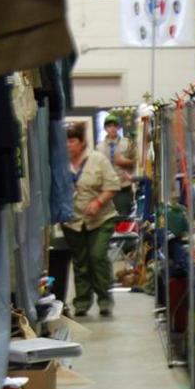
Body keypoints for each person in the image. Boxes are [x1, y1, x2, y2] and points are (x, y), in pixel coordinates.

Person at [64, 121, 123, 317]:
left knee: (97, 256)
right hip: (73, 220)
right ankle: (82, 302)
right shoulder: (60, 163)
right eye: (65, 141)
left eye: (72, 141)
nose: (68, 145)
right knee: (80, 261)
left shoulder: (97, 159)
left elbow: (113, 185)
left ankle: (105, 299)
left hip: (100, 218)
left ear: (82, 142)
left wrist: (98, 202)